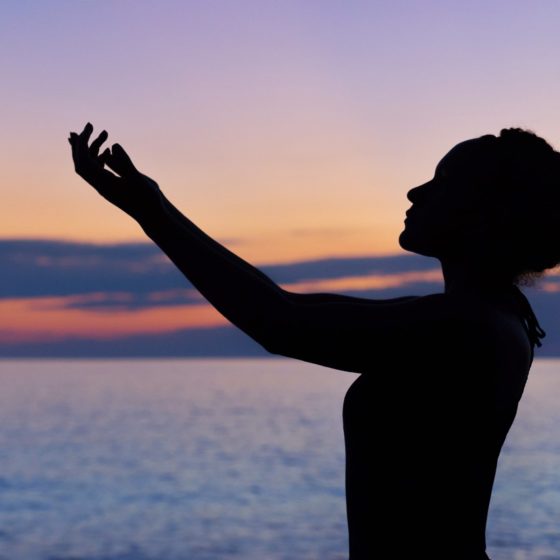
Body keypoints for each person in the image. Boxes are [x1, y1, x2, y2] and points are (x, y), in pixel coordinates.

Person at [69, 123, 552, 559]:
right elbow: (286, 306)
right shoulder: (488, 316)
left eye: (441, 182)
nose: (415, 190)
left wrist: (150, 212)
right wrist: (154, 207)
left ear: (486, 213)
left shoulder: (463, 326)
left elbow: (278, 322)